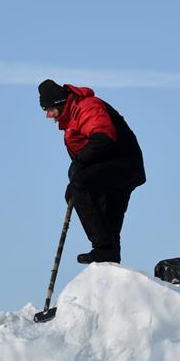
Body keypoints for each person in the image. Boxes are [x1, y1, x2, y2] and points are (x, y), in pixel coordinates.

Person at [38, 79, 146, 265]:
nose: (48, 115)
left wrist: (78, 169)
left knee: (80, 187)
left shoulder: (87, 107)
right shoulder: (71, 119)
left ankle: (103, 250)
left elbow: (103, 138)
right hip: (114, 168)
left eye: (47, 109)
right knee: (107, 226)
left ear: (58, 103)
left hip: (122, 164)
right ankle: (109, 264)